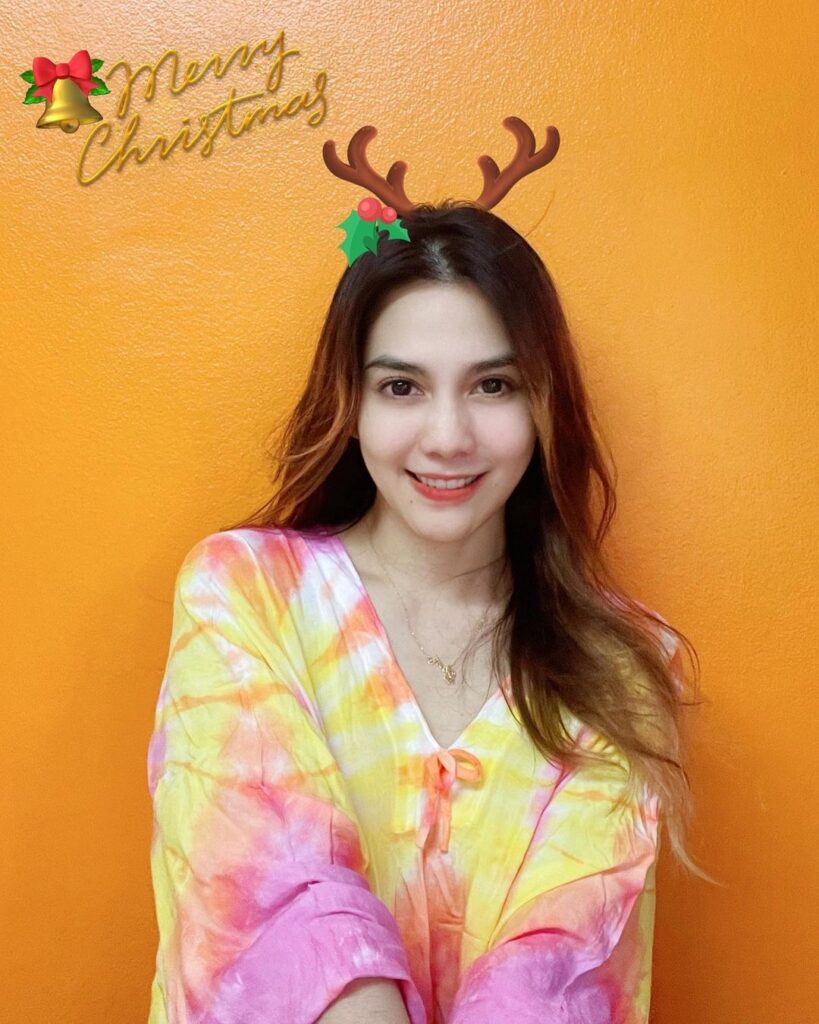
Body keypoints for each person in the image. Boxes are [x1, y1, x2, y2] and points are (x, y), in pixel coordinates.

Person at [145, 122, 704, 1024]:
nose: (447, 437)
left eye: (493, 386)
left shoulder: (624, 664)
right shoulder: (245, 592)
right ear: (350, 403)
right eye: (401, 387)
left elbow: (556, 976)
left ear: (544, 405)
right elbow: (276, 897)